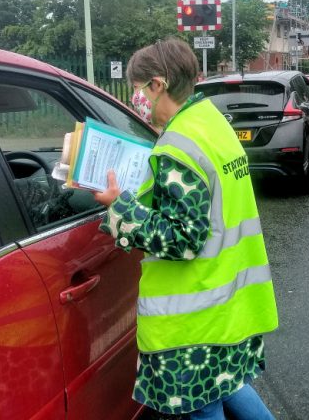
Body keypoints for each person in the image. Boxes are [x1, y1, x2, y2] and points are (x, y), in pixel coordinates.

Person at [91, 38, 279, 420]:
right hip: (231, 302)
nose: (135, 98)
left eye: (138, 89)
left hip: (195, 315)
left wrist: (119, 207)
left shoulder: (177, 146)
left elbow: (183, 237)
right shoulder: (210, 122)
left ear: (158, 85)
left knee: (202, 403)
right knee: (228, 384)